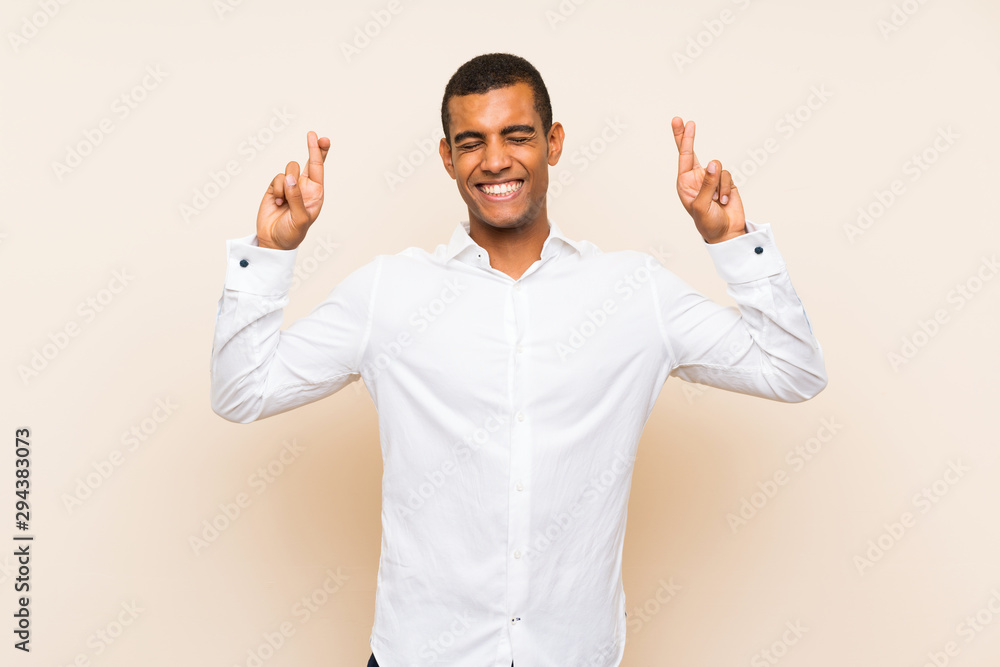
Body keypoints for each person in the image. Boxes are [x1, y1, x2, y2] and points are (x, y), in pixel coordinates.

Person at [210, 53, 827, 667]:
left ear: (553, 143)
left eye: (518, 136)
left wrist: (731, 243)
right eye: (471, 142)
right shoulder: (388, 293)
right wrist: (269, 254)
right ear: (448, 157)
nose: (495, 160)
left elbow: (793, 371)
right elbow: (244, 391)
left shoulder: (634, 291)